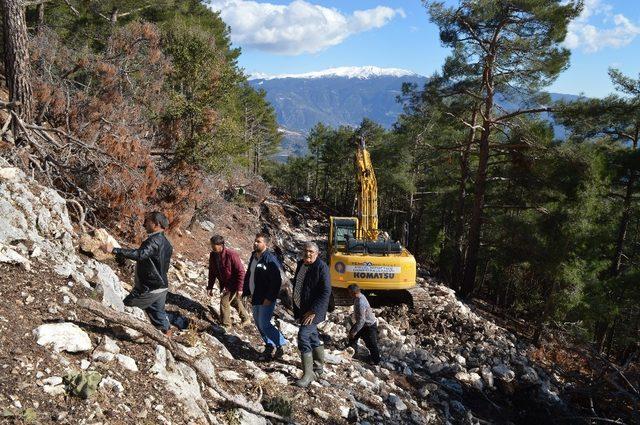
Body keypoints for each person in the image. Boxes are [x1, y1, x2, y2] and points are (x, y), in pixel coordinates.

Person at [100, 211, 174, 337]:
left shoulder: (154, 241)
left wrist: (114, 250)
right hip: (161, 287)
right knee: (159, 316)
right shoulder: (167, 243)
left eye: (147, 221)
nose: (144, 224)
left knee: (125, 306)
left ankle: (115, 334)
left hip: (150, 288)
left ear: (156, 224)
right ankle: (168, 341)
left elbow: (140, 255)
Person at [291, 241, 331, 387]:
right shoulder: (301, 264)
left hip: (313, 311)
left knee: (303, 336)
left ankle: (308, 375)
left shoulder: (322, 267)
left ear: (317, 253)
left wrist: (314, 310)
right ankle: (319, 368)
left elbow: (325, 291)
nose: (308, 254)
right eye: (306, 251)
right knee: (313, 336)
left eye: (311, 252)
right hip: (302, 308)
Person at [243, 233, 287, 360]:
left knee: (264, 323)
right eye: (255, 241)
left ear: (265, 244)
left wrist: (270, 297)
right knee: (258, 323)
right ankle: (269, 345)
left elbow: (277, 280)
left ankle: (281, 344)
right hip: (255, 295)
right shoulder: (253, 255)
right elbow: (249, 273)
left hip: (266, 297)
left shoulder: (269, 259)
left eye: (259, 241)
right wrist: (246, 291)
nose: (255, 243)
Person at [207, 235, 251, 332]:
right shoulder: (213, 255)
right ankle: (246, 319)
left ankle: (226, 325)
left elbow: (241, 272)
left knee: (224, 302)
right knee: (234, 301)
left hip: (234, 283)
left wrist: (240, 288)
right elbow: (212, 272)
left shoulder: (231, 255)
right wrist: (209, 287)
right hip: (225, 283)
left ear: (221, 245)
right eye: (211, 245)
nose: (212, 247)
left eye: (214, 245)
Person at [347, 284, 380, 365]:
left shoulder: (360, 302)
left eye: (349, 292)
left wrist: (354, 332)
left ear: (353, 293)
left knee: (371, 344)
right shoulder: (359, 296)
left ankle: (376, 361)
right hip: (362, 323)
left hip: (368, 325)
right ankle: (352, 352)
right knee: (352, 338)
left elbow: (362, 320)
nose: (348, 294)